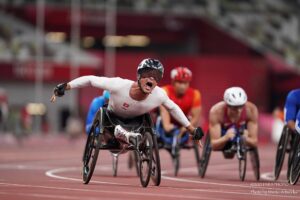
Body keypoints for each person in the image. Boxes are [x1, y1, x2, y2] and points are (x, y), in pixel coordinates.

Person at [50, 58, 204, 144]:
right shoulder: (118, 85)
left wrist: (192, 129)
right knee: (111, 131)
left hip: (136, 123)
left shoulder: (159, 94)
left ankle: (127, 136)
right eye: (148, 74)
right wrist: (67, 86)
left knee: (143, 125)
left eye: (156, 76)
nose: (152, 78)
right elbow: (90, 79)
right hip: (112, 119)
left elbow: (174, 108)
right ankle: (121, 134)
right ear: (138, 76)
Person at [156, 66, 202, 146]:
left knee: (191, 120)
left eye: (185, 83)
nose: (182, 86)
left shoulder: (195, 94)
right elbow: (164, 110)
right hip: (165, 120)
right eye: (179, 82)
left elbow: (196, 117)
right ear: (173, 82)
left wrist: (185, 128)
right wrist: (166, 125)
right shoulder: (164, 90)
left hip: (183, 121)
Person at [209, 87, 258, 153]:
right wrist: (225, 138)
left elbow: (254, 142)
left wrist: (246, 139)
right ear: (227, 105)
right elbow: (214, 145)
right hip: (224, 131)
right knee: (229, 155)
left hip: (243, 130)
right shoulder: (216, 112)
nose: (239, 110)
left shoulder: (251, 110)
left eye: (241, 106)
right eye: (235, 107)